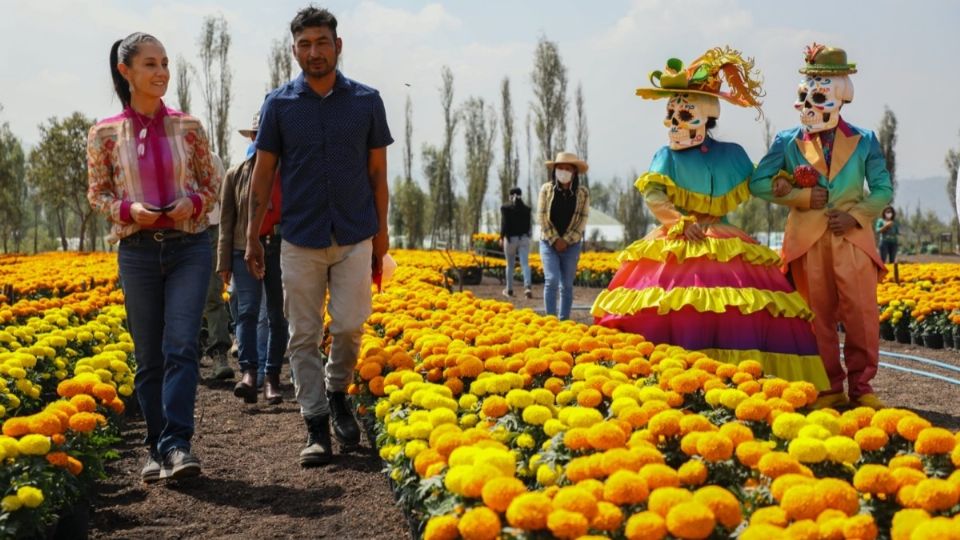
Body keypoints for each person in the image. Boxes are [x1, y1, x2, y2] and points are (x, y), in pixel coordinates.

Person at [592, 47, 829, 391]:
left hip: (718, 235)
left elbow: (757, 183)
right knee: (670, 306)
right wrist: (677, 221)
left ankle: (741, 384)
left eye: (684, 114)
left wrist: (787, 183)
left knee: (734, 309)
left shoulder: (732, 155)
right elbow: (653, 193)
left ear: (706, 117)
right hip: (677, 235)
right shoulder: (665, 155)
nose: (675, 122)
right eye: (671, 113)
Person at [245, 6, 392, 467]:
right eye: (305, 45)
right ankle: (315, 427)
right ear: (294, 50)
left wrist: (383, 235)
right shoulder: (279, 104)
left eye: (321, 42)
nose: (314, 52)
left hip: (354, 234)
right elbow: (263, 173)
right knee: (302, 335)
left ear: (338, 46)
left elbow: (378, 174)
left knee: (349, 325)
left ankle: (337, 391)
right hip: (300, 238)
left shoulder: (367, 101)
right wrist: (251, 237)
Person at [87, 32, 220, 481]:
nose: (161, 72)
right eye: (150, 64)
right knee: (149, 358)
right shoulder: (104, 133)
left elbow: (210, 183)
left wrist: (195, 204)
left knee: (181, 345)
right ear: (126, 72)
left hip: (189, 246)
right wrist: (129, 211)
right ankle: (156, 447)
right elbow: (98, 193)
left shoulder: (189, 126)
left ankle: (178, 446)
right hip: (137, 252)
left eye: (164, 63)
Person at [751, 44, 893, 410]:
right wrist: (800, 197)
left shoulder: (865, 140)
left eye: (820, 91)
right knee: (816, 320)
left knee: (861, 316)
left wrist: (857, 215)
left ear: (840, 95)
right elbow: (758, 182)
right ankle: (829, 387)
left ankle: (862, 387)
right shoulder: (787, 140)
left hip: (852, 240)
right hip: (807, 243)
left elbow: (882, 189)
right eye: (806, 93)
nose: (809, 102)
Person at [218, 112, 286, 406]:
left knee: (277, 314)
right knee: (246, 312)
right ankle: (248, 373)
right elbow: (226, 221)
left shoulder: (289, 171)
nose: (263, 139)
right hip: (241, 250)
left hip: (281, 248)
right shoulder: (235, 174)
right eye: (258, 135)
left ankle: (271, 378)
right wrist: (223, 263)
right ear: (252, 138)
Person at [538, 152, 590, 320]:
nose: (563, 171)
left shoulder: (583, 193)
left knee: (566, 285)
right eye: (560, 168)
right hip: (548, 242)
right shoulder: (546, 189)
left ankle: (564, 320)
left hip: (572, 244)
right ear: (554, 170)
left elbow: (582, 219)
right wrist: (555, 240)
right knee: (551, 280)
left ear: (574, 172)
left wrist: (566, 240)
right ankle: (551, 320)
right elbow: (542, 216)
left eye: (567, 169)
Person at [202, 155, 234, 381]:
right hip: (177, 234)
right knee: (180, 301)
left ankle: (219, 355)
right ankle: (187, 360)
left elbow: (224, 198)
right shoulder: (165, 153)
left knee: (212, 295)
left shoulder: (211, 159)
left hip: (209, 231)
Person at [500, 187, 533, 299]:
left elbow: (504, 224)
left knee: (510, 265)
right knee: (525, 263)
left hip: (510, 240)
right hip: (523, 239)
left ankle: (509, 290)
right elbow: (529, 226)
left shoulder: (505, 208)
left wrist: (501, 237)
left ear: (510, 196)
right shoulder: (527, 209)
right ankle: (527, 286)